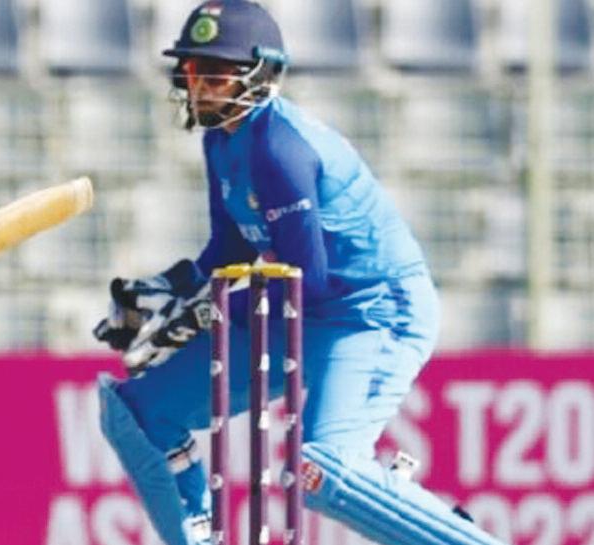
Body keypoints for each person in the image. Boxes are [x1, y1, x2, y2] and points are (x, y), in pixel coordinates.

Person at [92, 2, 505, 544]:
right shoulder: (221, 139)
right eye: (193, 72)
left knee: (322, 470)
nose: (201, 89)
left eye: (216, 74)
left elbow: (305, 280)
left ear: (261, 75)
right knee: (138, 413)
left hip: (372, 313)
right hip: (300, 308)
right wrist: (168, 289)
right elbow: (231, 245)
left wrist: (199, 315)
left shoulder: (280, 148)